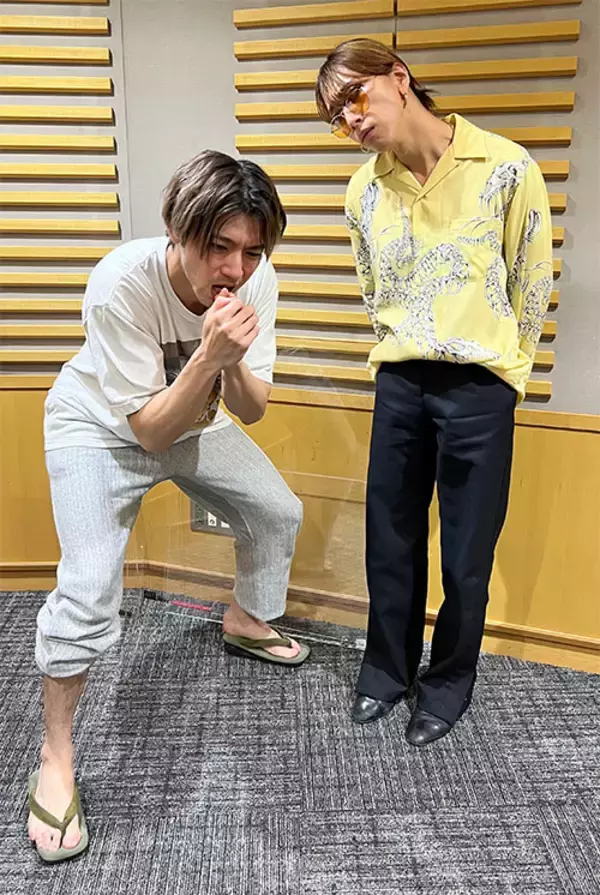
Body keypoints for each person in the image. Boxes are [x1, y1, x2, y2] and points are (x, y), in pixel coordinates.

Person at [27, 150, 309, 862]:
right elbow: (148, 432)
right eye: (219, 247)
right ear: (177, 231)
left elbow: (253, 407)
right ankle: (55, 755)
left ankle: (244, 618)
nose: (235, 268)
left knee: (276, 511)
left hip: (195, 422)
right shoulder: (122, 283)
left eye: (252, 251)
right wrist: (208, 356)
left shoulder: (255, 279)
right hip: (100, 430)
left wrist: (229, 355)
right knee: (89, 587)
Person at [315, 39, 552, 746]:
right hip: (400, 380)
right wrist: (404, 346)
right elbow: (372, 286)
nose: (351, 120)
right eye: (337, 117)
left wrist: (508, 373)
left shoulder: (506, 167)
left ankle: (448, 682)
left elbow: (531, 281)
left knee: (467, 552)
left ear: (399, 76)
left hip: (480, 385)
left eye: (354, 97)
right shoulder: (363, 191)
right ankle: (387, 670)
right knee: (388, 537)